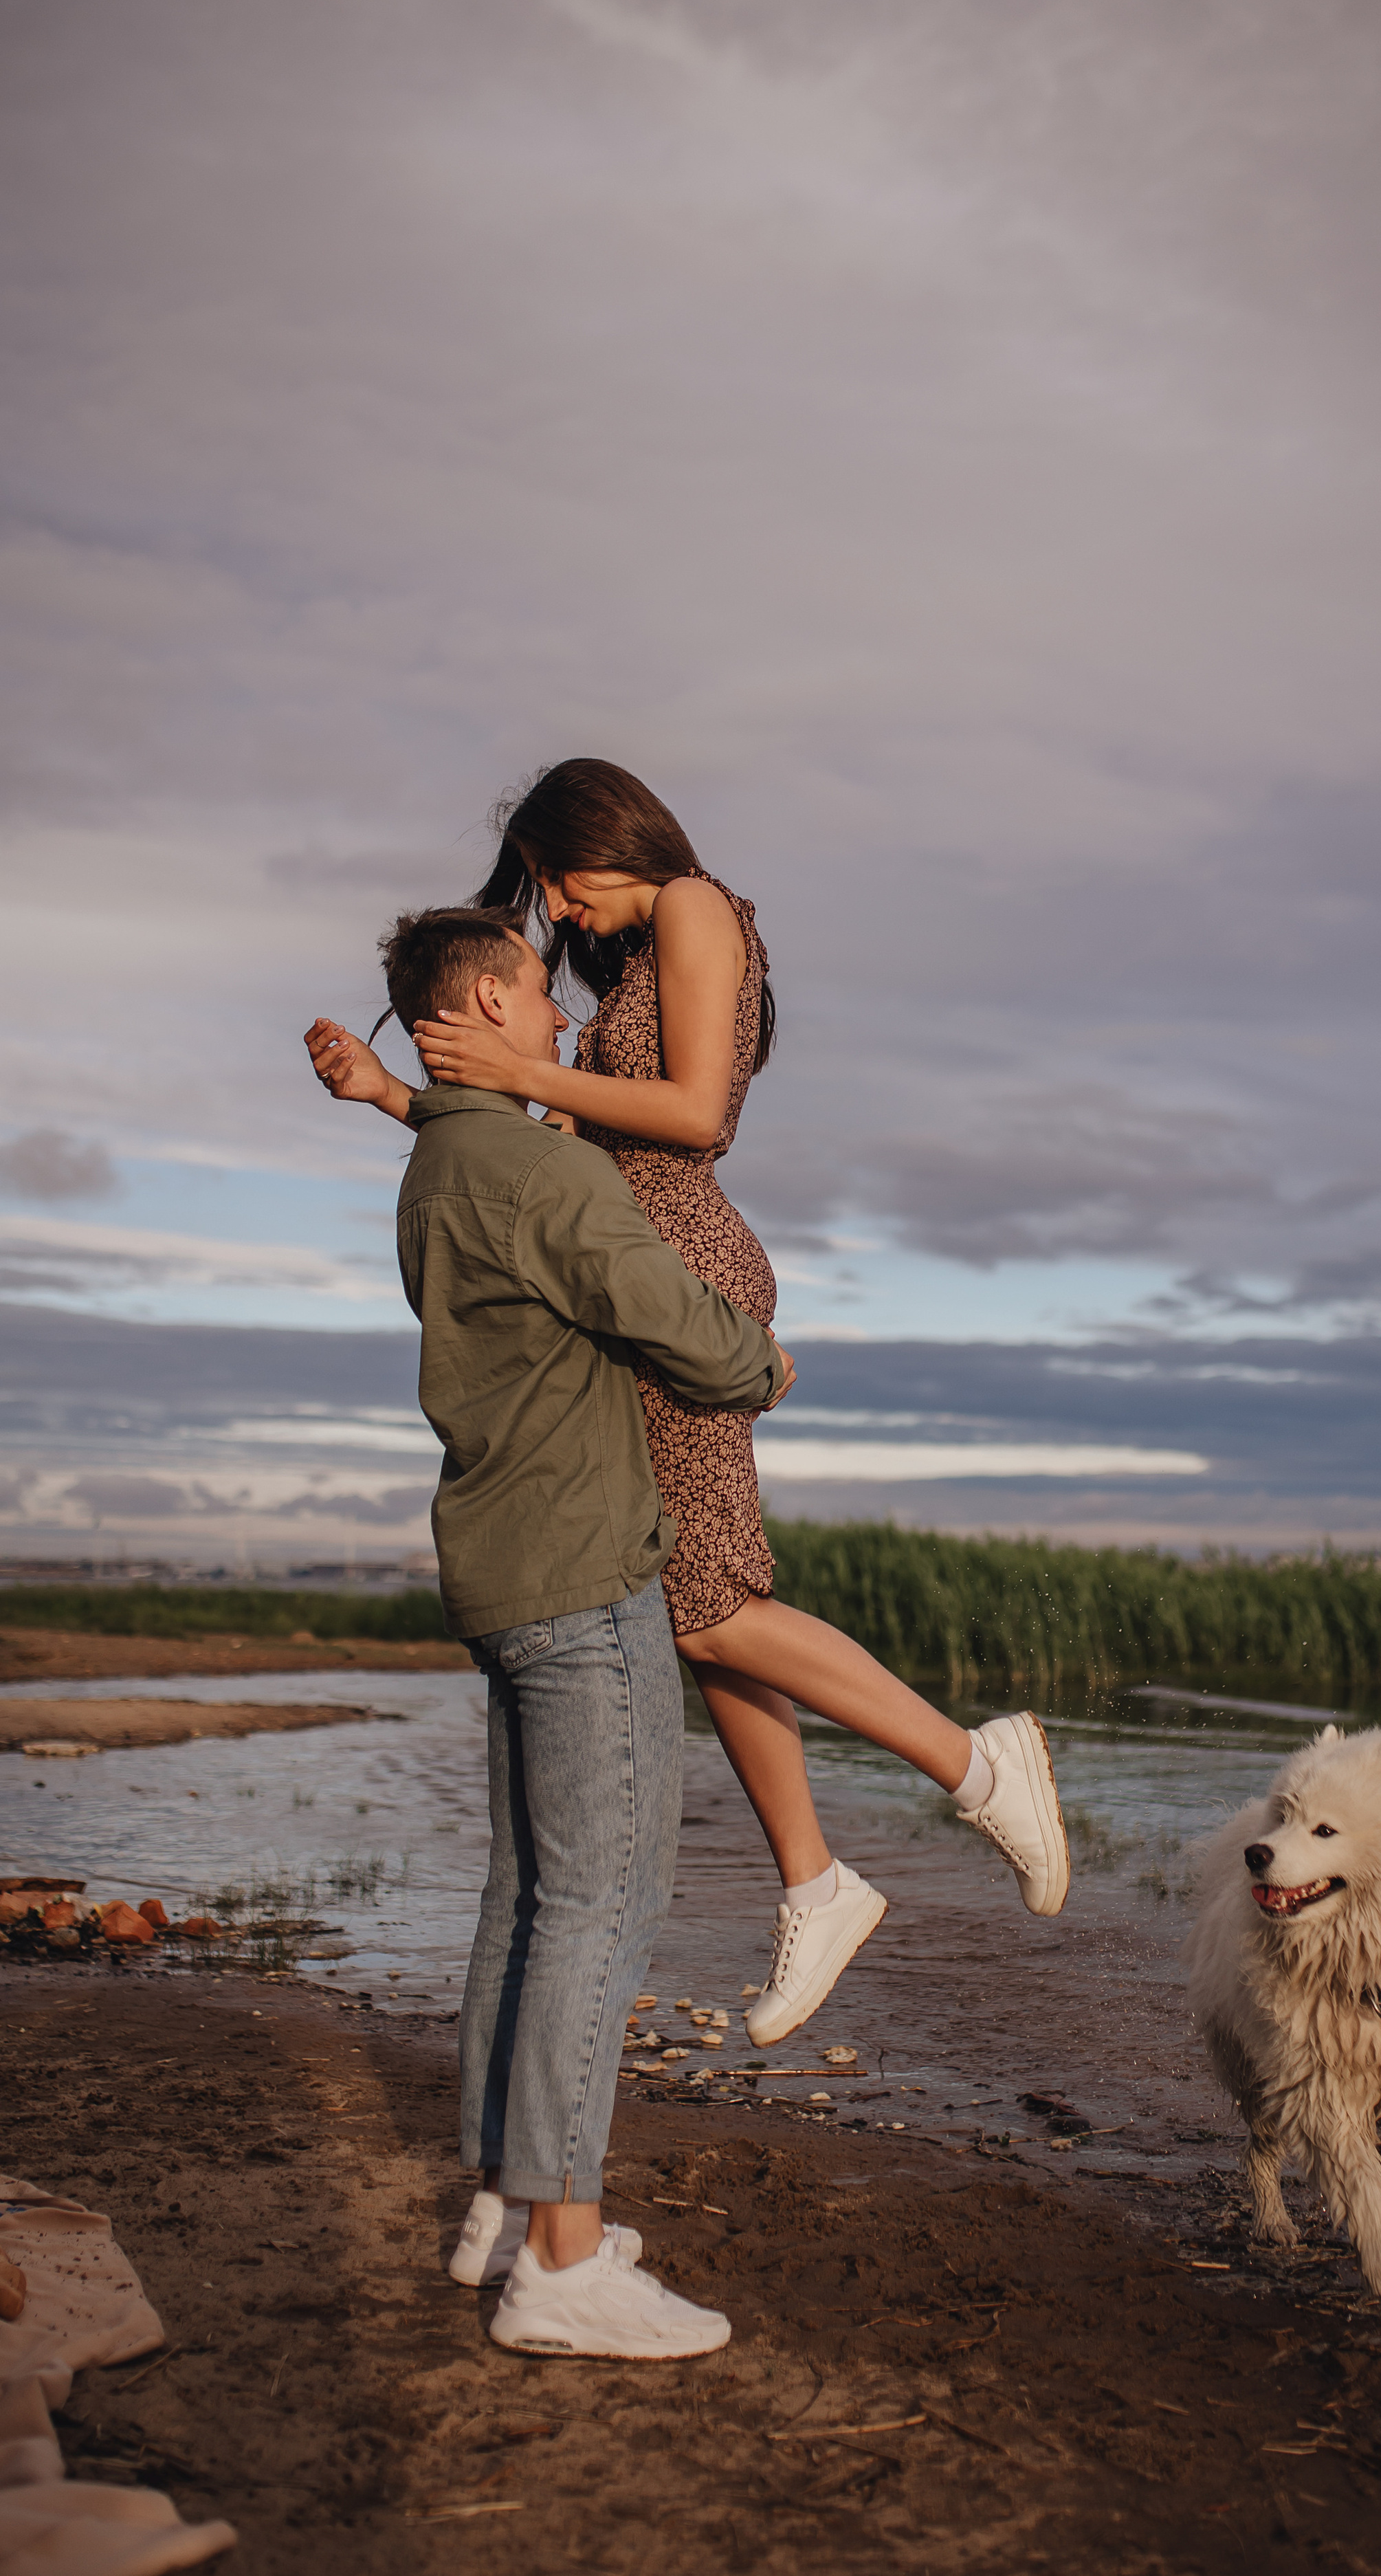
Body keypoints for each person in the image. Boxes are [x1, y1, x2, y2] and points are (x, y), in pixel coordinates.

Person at [306, 758, 1068, 2047]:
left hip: (679, 1276)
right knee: (692, 1597)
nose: (560, 912)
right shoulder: (637, 963)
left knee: (709, 1605)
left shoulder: (699, 908)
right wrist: (402, 1096)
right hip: (630, 1265)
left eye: (556, 882)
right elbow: (548, 1161)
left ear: (605, 841)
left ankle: (979, 1767)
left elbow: (695, 1115)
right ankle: (819, 1882)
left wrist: (520, 1069)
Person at [378, 901, 793, 2360]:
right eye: (538, 1001)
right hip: (575, 1579)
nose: (562, 1024)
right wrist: (763, 1363)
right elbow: (678, 1328)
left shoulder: (444, 1158)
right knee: (597, 1914)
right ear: (484, 1005)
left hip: (498, 1569)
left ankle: (507, 2199)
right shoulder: (539, 1176)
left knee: (525, 1899)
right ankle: (559, 2263)